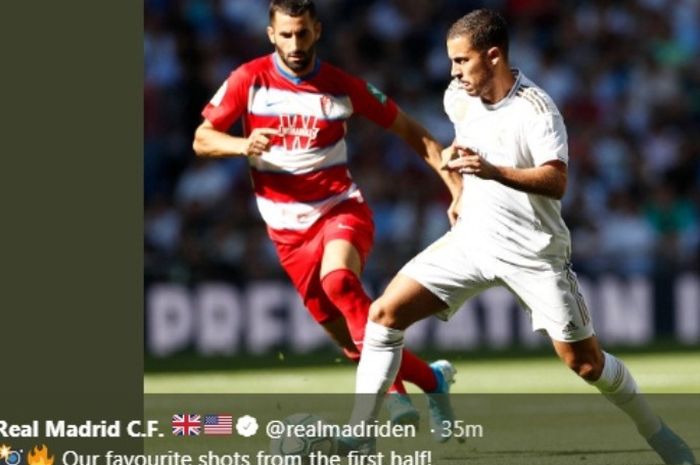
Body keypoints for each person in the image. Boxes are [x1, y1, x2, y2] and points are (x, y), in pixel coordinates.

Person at [347, 9, 696, 465]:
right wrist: (460, 188)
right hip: (471, 239)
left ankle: (657, 431)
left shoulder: (537, 109)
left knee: (585, 363)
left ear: (493, 56)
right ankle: (360, 435)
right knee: (385, 313)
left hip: (534, 254)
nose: (453, 72)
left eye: (461, 61)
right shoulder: (459, 96)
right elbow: (465, 149)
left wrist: (491, 172)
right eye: (451, 62)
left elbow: (556, 181)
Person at [192, 0, 463, 432]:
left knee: (338, 281)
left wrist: (456, 190)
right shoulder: (248, 80)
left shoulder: (342, 87)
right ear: (271, 35)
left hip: (340, 210)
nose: (295, 44)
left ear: (316, 30)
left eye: (302, 33)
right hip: (287, 234)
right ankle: (432, 379)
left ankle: (392, 400)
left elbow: (414, 132)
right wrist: (241, 145)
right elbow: (203, 139)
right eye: (286, 35)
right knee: (352, 343)